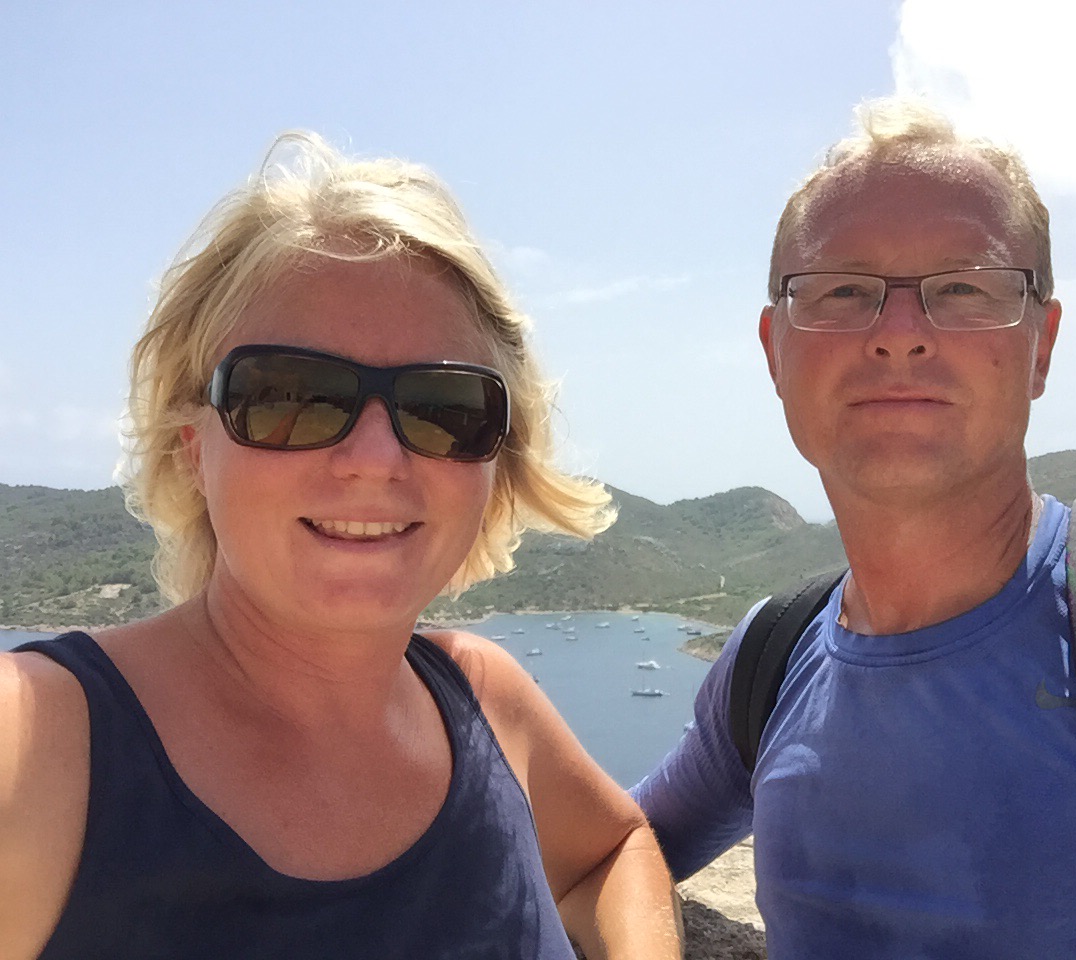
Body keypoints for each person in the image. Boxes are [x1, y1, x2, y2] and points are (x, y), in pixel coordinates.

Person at [0, 132, 681, 959]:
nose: (374, 458)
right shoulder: (34, 744)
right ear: (191, 449)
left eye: (443, 407)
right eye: (290, 395)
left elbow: (612, 851)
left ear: (496, 459)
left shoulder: (484, 700)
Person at [633, 98, 1076, 958]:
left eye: (965, 288)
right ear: (773, 350)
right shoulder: (771, 660)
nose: (899, 335)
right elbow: (614, 848)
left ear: (1042, 346)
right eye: (843, 290)